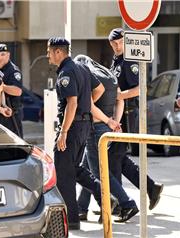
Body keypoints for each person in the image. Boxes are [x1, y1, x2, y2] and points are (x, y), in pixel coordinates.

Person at [47, 37, 120, 230]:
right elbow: (100, 89)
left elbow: (71, 102)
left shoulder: (67, 71)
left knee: (63, 173)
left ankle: (71, 220)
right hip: (85, 125)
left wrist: (63, 132)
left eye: (49, 51)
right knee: (74, 168)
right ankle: (104, 195)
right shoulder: (81, 68)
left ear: (58, 52)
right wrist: (86, 106)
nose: (48, 55)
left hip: (72, 127)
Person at [75, 55, 139, 223]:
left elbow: (89, 106)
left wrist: (108, 121)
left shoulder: (86, 76)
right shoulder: (108, 75)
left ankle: (126, 203)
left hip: (96, 129)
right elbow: (120, 100)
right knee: (86, 168)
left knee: (99, 173)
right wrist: (115, 122)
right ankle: (81, 207)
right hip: (106, 130)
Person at [109, 28, 163, 210]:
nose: (117, 46)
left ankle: (118, 204)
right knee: (119, 158)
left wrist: (119, 97)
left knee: (114, 157)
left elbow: (140, 89)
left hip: (128, 113)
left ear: (126, 41)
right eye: (113, 43)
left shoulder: (129, 60)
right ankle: (150, 188)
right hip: (118, 113)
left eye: (120, 42)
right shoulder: (116, 61)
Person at [0, 44, 24, 137]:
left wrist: (2, 86)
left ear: (8, 55)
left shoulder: (13, 71)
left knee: (15, 143)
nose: (0, 57)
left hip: (11, 115)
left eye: (3, 54)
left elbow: (17, 91)